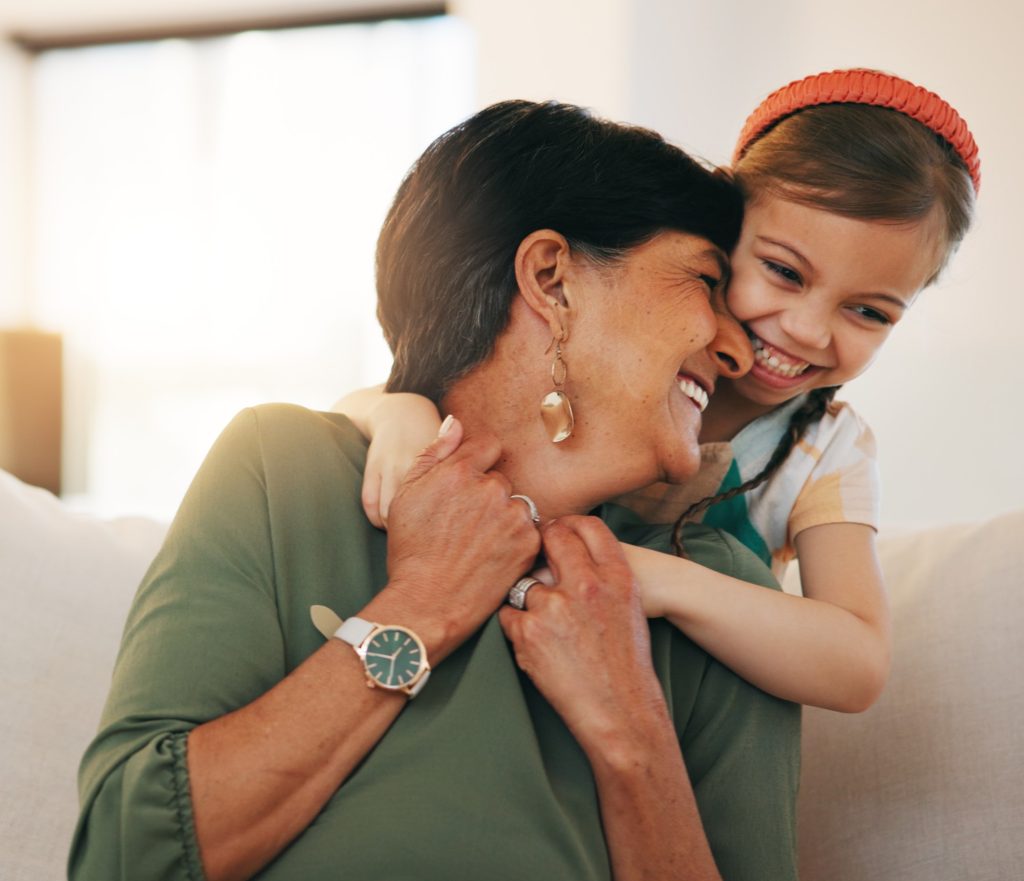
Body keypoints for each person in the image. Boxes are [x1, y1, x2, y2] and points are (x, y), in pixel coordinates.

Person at [70, 101, 800, 881]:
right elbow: (123, 858)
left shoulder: (722, 603)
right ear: (552, 279)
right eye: (706, 282)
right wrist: (422, 604)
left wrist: (632, 734)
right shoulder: (284, 473)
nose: (733, 347)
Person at [335, 69, 980, 713]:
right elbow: (366, 405)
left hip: (674, 708)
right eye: (784, 272)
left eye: (870, 313)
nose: (808, 331)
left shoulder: (825, 448)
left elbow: (858, 666)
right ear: (723, 227)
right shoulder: (615, 357)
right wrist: (400, 414)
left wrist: (660, 581)